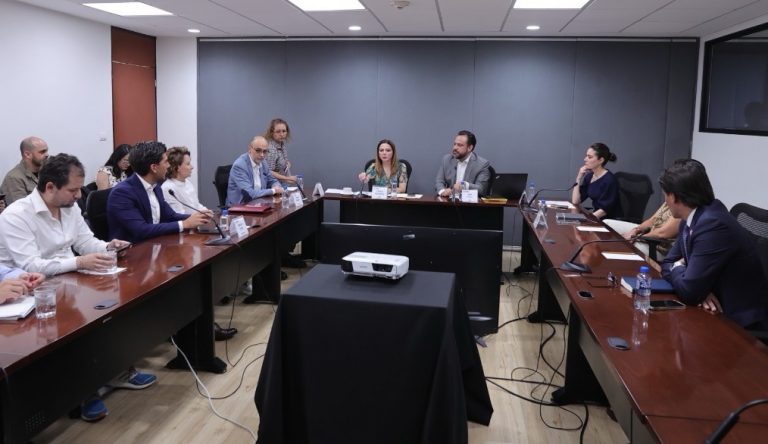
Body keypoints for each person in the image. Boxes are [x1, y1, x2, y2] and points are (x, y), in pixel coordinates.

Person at [0, 153, 151, 422]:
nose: (79, 195)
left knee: (113, 307)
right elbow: (31, 265)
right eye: (73, 190)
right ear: (50, 187)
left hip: (68, 279)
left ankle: (114, 371)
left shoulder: (69, 207)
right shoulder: (16, 216)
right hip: (31, 292)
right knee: (80, 325)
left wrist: (108, 246)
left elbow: (85, 242)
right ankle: (83, 393)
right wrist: (79, 262)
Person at [660, 159, 768, 331]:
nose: (665, 201)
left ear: (673, 197)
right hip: (712, 308)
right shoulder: (691, 219)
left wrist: (682, 272)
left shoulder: (713, 224)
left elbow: (688, 291)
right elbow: (667, 263)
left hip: (736, 322)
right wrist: (698, 288)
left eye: (665, 195)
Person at [107, 141, 209, 244]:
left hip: (154, 245)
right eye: (166, 162)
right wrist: (184, 224)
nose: (169, 166)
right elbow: (141, 230)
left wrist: (200, 217)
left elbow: (170, 216)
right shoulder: (122, 193)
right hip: (133, 250)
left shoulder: (156, 187)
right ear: (154, 168)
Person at [604, 203, 679, 258]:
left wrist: (636, 237)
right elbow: (651, 221)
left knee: (623, 244)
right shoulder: (669, 197)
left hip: (660, 247)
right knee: (607, 223)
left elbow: (662, 233)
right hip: (649, 233)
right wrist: (635, 231)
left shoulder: (681, 206)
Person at [227, 136, 284, 205]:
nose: (262, 155)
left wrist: (277, 186)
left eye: (265, 151)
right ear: (250, 149)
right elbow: (251, 193)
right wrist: (273, 191)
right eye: (258, 150)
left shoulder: (263, 162)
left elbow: (272, 180)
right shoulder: (240, 166)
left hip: (260, 203)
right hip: (241, 206)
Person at [571, 142, 622, 219]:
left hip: (609, 220)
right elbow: (576, 201)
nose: (585, 159)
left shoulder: (610, 180)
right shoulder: (589, 176)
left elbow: (604, 210)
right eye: (586, 156)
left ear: (601, 160)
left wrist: (587, 220)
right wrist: (578, 178)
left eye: (590, 157)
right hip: (596, 217)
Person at [435, 130, 491, 197]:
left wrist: (465, 185)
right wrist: (442, 191)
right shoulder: (447, 159)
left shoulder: (482, 164)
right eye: (454, 144)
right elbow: (439, 181)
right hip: (450, 201)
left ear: (470, 148)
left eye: (460, 145)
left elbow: (481, 189)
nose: (455, 148)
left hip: (469, 202)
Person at [161, 146, 212, 215]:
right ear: (177, 167)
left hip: (196, 220)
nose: (192, 167)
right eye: (188, 164)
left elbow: (196, 206)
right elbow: (179, 215)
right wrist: (202, 216)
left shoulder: (187, 182)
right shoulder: (168, 188)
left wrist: (207, 211)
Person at [1, 136, 50, 205]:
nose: (47, 155)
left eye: (46, 151)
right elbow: (20, 208)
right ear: (27, 154)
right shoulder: (14, 178)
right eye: (42, 152)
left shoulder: (47, 173)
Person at [265, 118, 297, 187]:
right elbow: (268, 172)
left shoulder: (281, 145)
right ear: (272, 133)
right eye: (278, 131)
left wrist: (286, 164)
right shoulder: (271, 149)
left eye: (284, 131)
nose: (281, 134)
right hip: (272, 186)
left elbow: (279, 163)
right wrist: (287, 178)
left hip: (282, 183)